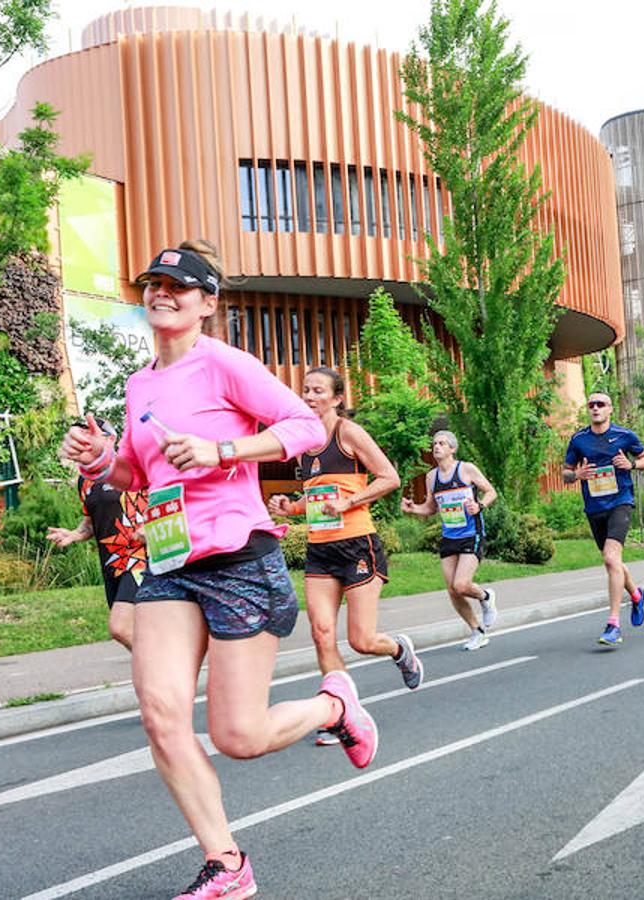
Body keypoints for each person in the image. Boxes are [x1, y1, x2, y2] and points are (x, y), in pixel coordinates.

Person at [61, 241, 377, 900]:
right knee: (161, 715)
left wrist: (222, 448)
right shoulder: (140, 381)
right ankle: (227, 864)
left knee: (237, 735)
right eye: (153, 283)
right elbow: (142, 475)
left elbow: (300, 429)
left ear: (207, 303)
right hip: (172, 559)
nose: (161, 293)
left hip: (238, 560)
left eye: (178, 286)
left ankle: (333, 705)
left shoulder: (227, 365)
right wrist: (100, 459)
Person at [269, 367, 423, 748]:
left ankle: (400, 649)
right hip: (321, 550)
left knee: (362, 639)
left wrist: (351, 501)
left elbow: (389, 477)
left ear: (337, 398)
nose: (309, 396)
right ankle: (341, 715)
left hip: (357, 545)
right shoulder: (304, 443)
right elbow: (318, 499)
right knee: (321, 634)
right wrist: (291, 507)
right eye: (305, 389)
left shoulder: (348, 433)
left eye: (318, 390)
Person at [47, 418, 148, 650]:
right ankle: (167, 672)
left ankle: (164, 672)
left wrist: (153, 525)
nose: (83, 442)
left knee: (121, 628)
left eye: (89, 434)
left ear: (110, 438)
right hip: (111, 565)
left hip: (140, 558)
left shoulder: (133, 466)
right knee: (138, 629)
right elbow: (90, 524)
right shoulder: (85, 480)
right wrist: (74, 534)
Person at [563, 392, 644, 647]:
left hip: (620, 502)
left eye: (600, 404)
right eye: (591, 404)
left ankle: (613, 623)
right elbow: (565, 473)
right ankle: (637, 595)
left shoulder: (624, 435)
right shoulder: (579, 439)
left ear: (610, 409)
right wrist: (577, 474)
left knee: (610, 558)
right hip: (594, 507)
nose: (595, 408)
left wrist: (632, 465)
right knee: (613, 562)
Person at [401, 430, 499, 650]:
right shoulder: (431, 477)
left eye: (442, 443)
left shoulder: (466, 469)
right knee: (453, 590)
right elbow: (430, 508)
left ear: (452, 449)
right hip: (449, 536)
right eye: (434, 443)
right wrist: (413, 508)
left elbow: (491, 491)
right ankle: (477, 631)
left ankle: (485, 596)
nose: (436, 447)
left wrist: (480, 505)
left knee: (462, 584)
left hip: (471, 533)